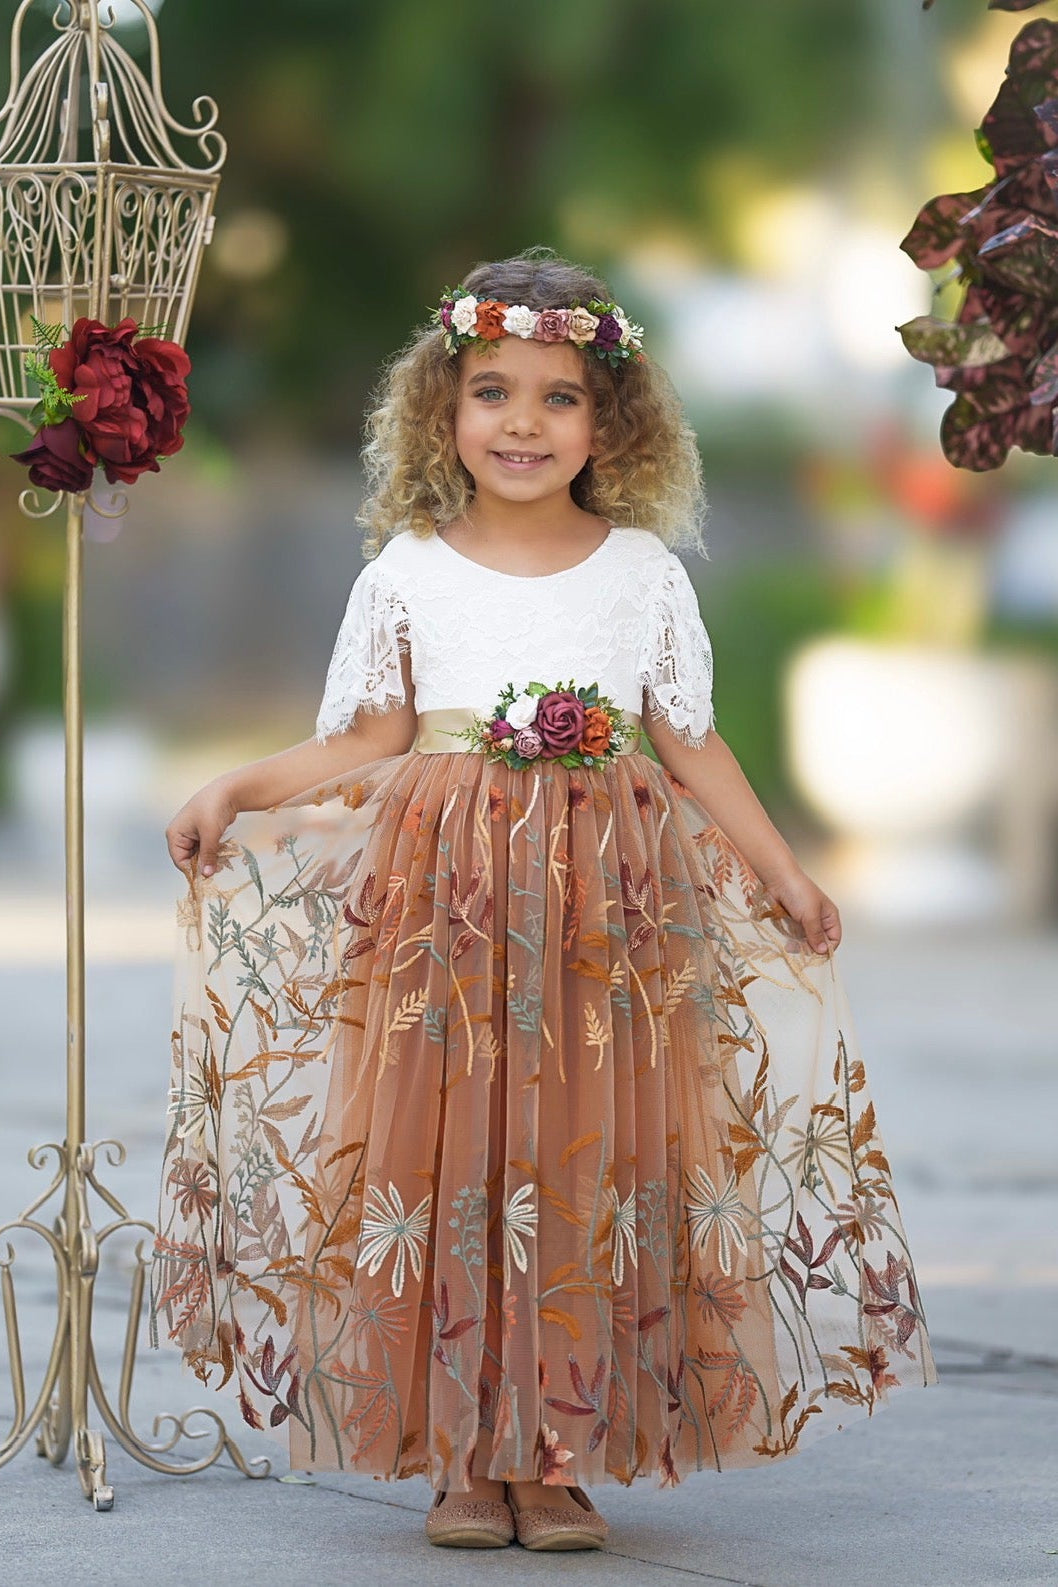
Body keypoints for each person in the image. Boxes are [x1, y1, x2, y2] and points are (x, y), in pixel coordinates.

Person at [149, 248, 937, 1552]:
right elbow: (366, 734)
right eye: (493, 393)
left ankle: (556, 1453)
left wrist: (783, 871)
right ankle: (463, 1454)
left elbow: (689, 741)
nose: (522, 423)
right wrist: (237, 785)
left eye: (559, 397)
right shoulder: (409, 570)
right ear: (442, 411)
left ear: (610, 421)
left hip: (606, 910)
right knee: (446, 1157)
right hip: (446, 905)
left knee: (585, 1157)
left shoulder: (641, 573)